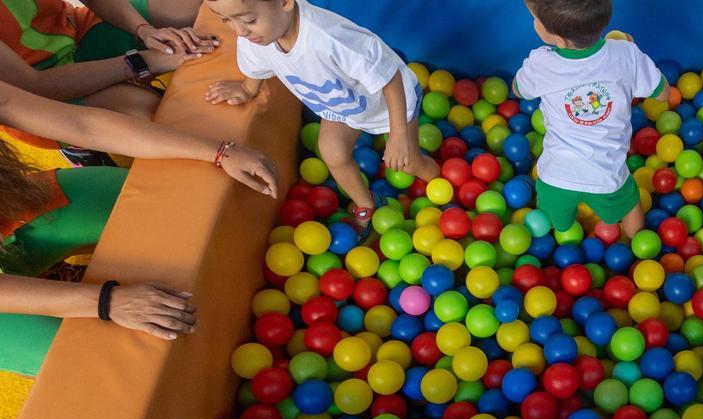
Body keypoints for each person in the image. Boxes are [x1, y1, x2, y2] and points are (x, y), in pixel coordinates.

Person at [0, 79, 278, 376]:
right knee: (95, 360)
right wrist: (107, 301)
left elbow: (84, 125)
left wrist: (221, 152)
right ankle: (51, 285)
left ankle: (44, 273)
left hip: (10, 206)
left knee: (156, 204)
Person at [203, 0, 438, 231]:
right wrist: (247, 89)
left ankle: (440, 185)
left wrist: (397, 136)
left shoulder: (330, 38)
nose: (239, 30)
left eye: (248, 20)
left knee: (408, 164)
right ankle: (367, 204)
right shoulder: (257, 37)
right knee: (331, 152)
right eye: (226, 20)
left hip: (390, 105)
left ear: (285, 2)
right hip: (343, 109)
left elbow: (390, 78)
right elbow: (258, 65)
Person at [514, 0, 669, 239]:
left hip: (556, 175)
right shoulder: (626, 54)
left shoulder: (541, 64)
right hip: (607, 175)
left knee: (551, 218)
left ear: (558, 39)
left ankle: (559, 238)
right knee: (629, 204)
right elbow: (663, 94)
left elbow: (518, 89)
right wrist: (630, 54)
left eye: (535, 18)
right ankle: (640, 249)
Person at [1, 0, 217, 120]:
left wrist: (145, 31)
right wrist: (143, 61)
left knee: (193, 7)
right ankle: (81, 148)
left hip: (75, 29)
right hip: (38, 94)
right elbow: (35, 86)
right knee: (150, 112)